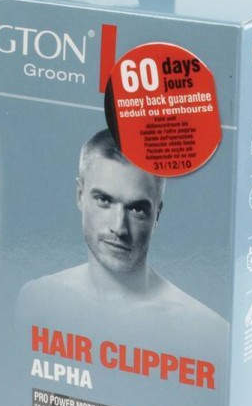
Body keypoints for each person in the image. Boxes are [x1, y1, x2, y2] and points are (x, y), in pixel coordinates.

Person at [17, 129, 228, 344]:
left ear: (157, 214)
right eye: (104, 200)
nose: (119, 228)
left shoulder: (207, 332)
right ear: (80, 195)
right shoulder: (38, 300)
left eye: (136, 209)